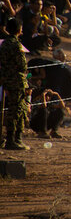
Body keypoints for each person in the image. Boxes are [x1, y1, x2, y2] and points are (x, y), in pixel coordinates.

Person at [1, 18, 30, 150]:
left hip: (7, 80)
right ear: (19, 29)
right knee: (17, 110)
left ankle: (13, 139)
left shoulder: (4, 43)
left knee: (13, 109)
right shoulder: (16, 45)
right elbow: (22, 64)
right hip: (17, 81)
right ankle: (13, 140)